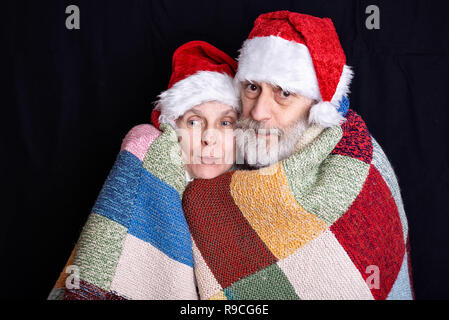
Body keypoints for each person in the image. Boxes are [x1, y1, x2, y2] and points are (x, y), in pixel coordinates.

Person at [182, 11, 414, 300]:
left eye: (285, 94)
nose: (258, 112)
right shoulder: (221, 144)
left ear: (317, 106)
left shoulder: (360, 172)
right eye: (253, 88)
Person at [48, 40, 239, 300]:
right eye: (194, 121)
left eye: (225, 122)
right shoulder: (149, 156)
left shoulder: (251, 189)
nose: (210, 137)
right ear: (173, 126)